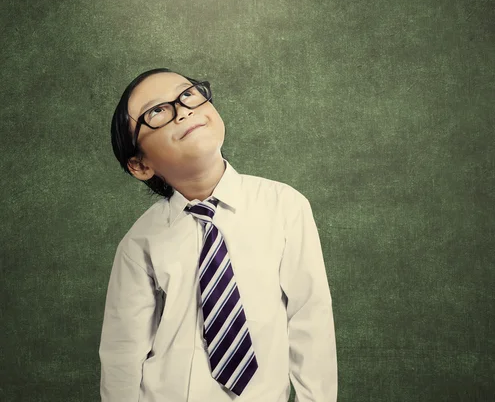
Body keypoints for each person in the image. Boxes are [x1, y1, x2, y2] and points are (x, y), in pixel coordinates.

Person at [99, 68, 337, 402]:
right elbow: (122, 350)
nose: (183, 110)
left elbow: (311, 318)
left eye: (187, 94)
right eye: (157, 111)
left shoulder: (285, 205)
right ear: (140, 165)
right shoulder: (140, 242)